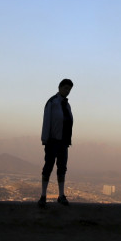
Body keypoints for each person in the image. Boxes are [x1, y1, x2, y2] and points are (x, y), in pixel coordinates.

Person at [38, 78, 74, 207]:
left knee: (62, 168)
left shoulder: (67, 105)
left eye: (69, 89)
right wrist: (45, 139)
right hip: (52, 140)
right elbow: (46, 121)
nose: (68, 91)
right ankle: (43, 195)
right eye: (66, 88)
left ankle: (61, 195)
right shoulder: (52, 102)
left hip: (64, 142)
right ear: (59, 88)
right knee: (48, 166)